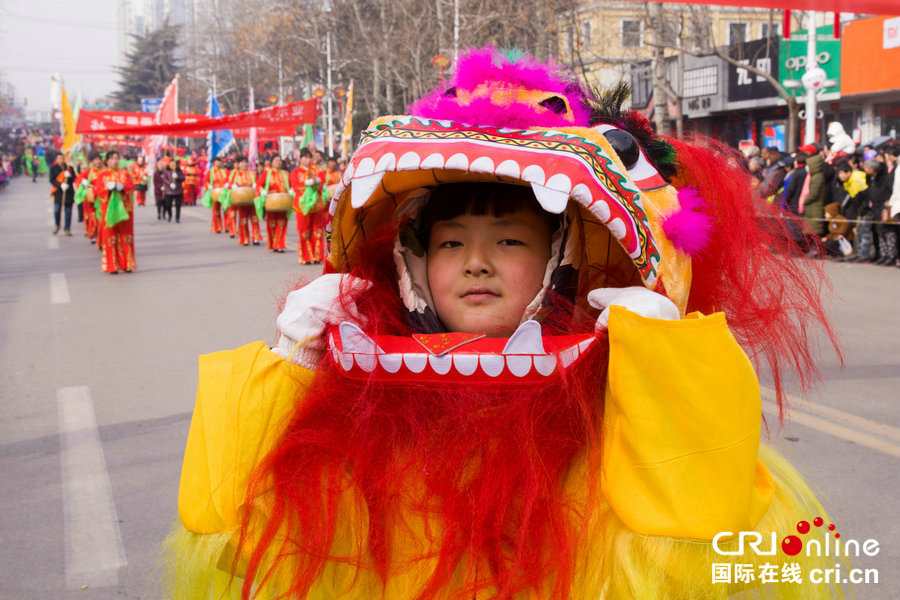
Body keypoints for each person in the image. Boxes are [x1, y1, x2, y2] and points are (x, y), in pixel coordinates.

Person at [167, 47, 846, 600]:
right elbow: (228, 537)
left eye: (511, 242)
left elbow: (693, 561)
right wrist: (289, 370)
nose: (477, 264)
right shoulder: (360, 410)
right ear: (414, 264)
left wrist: (666, 367)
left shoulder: (614, 412)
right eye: (452, 243)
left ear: (562, 260)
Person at [91, 150, 136, 274]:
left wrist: (122, 188)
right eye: (111, 159)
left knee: (126, 237)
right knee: (110, 238)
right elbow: (97, 190)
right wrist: (108, 189)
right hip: (108, 210)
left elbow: (131, 187)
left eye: (116, 158)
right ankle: (112, 265)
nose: (114, 161)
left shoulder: (125, 173)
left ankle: (127, 264)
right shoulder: (102, 175)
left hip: (125, 210)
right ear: (107, 161)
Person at [290, 148, 325, 264]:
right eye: (305, 157)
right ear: (300, 159)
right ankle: (306, 257)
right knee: (305, 231)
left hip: (317, 204)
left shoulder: (315, 170)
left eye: (309, 157)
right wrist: (306, 183)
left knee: (318, 230)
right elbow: (295, 186)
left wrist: (318, 182)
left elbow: (322, 183)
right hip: (302, 205)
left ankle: (317, 256)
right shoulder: (295, 172)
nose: (307, 160)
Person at [224, 156, 262, 246]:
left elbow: (259, 184)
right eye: (242, 162)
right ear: (239, 164)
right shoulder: (234, 174)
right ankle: (244, 238)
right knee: (243, 220)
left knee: (254, 219)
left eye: (246, 162)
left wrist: (256, 186)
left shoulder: (253, 174)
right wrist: (232, 186)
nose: (244, 164)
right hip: (241, 200)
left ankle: (256, 238)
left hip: (252, 199)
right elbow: (227, 184)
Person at [257, 154, 290, 252]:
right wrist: (262, 190)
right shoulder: (267, 173)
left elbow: (291, 185)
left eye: (280, 160)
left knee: (281, 223)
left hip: (283, 201)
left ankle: (279, 245)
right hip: (271, 202)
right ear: (271, 162)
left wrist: (291, 190)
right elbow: (259, 184)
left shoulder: (285, 173)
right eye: (276, 160)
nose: (278, 162)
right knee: (271, 224)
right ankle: (273, 244)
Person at [74, 153, 104, 243]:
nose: (98, 161)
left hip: (101, 198)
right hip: (91, 199)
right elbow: (78, 180)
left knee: (101, 218)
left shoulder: (105, 171)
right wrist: (83, 181)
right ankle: (94, 236)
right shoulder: (89, 172)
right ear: (92, 161)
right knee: (93, 218)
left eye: (99, 159)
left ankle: (101, 236)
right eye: (95, 159)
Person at [201, 156, 229, 233]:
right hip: (215, 193)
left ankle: (227, 226)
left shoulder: (225, 171)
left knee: (226, 209)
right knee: (216, 211)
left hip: (223, 193)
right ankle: (218, 227)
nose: (218, 163)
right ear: (213, 163)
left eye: (219, 161)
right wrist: (208, 186)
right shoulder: (210, 172)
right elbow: (205, 181)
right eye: (217, 161)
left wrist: (228, 185)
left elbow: (229, 179)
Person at [49, 153, 74, 235]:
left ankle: (67, 228)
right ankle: (57, 225)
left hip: (68, 191)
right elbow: (52, 180)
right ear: (56, 160)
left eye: (62, 158)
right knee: (57, 210)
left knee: (68, 211)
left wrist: (69, 176)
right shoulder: (53, 168)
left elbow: (75, 178)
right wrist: (60, 185)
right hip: (58, 192)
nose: (61, 160)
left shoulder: (69, 168)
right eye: (59, 158)